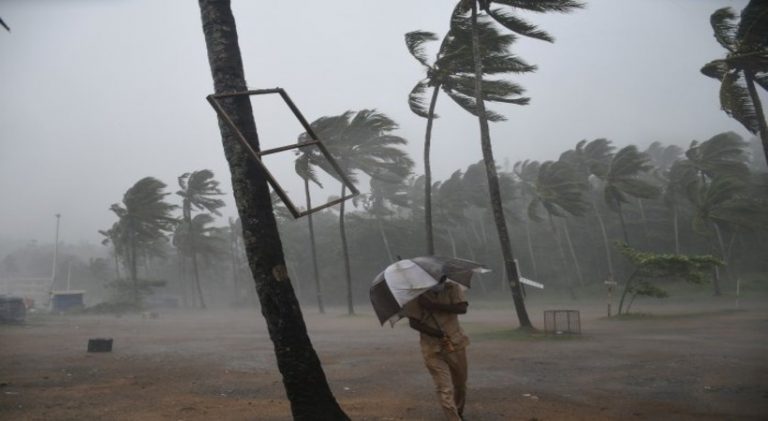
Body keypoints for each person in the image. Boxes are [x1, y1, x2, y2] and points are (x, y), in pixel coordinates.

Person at [406, 276, 469, 421]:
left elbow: (462, 308)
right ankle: (453, 418)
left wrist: (433, 305)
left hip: (456, 342)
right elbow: (413, 323)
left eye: (442, 280)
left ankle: (458, 411)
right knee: (444, 387)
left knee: (460, 384)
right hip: (431, 347)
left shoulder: (453, 287)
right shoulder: (416, 294)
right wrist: (435, 333)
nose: (438, 284)